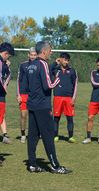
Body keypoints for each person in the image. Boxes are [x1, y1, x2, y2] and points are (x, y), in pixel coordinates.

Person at [25, 41, 72, 174]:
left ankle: (32, 164)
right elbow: (48, 85)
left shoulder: (31, 65)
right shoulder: (43, 64)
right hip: (42, 106)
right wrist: (58, 78)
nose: (51, 52)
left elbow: (30, 85)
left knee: (33, 135)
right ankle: (55, 166)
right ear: (44, 51)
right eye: (50, 50)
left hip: (32, 104)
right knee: (48, 135)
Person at [50, 52, 78, 143]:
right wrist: (55, 62)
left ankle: (70, 136)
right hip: (57, 97)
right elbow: (48, 70)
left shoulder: (72, 71)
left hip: (69, 98)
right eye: (65, 59)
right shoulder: (55, 69)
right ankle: (55, 136)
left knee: (69, 117)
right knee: (56, 117)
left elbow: (75, 85)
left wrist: (73, 98)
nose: (66, 62)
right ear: (60, 59)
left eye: (68, 60)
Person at [17, 47, 37, 143]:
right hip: (24, 94)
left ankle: (34, 134)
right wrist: (18, 94)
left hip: (35, 95)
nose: (33, 57)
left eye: (34, 55)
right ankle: (23, 135)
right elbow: (18, 80)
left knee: (34, 116)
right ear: (28, 55)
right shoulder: (23, 65)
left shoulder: (40, 65)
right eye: (31, 55)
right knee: (23, 115)